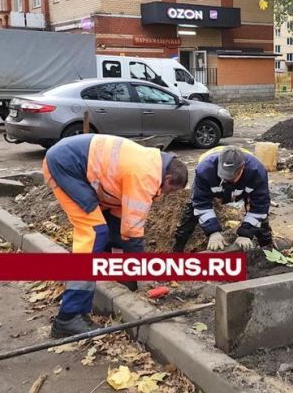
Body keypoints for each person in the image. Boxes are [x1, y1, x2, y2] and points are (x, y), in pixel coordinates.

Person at [42, 134, 188, 337]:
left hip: (76, 163)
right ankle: (68, 317)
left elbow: (120, 224)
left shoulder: (152, 164)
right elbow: (133, 234)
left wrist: (126, 278)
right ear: (168, 178)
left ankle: (92, 287)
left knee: (109, 227)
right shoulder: (145, 177)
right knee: (94, 233)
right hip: (66, 165)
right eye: (169, 191)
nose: (165, 196)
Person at [172, 146, 273, 252]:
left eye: (231, 177)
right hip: (211, 181)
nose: (226, 179)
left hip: (243, 187)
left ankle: (268, 251)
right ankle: (176, 251)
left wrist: (246, 233)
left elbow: (259, 207)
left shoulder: (257, 172)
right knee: (190, 213)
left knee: (262, 223)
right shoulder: (205, 170)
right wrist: (213, 232)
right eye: (224, 175)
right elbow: (201, 204)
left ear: (242, 168)